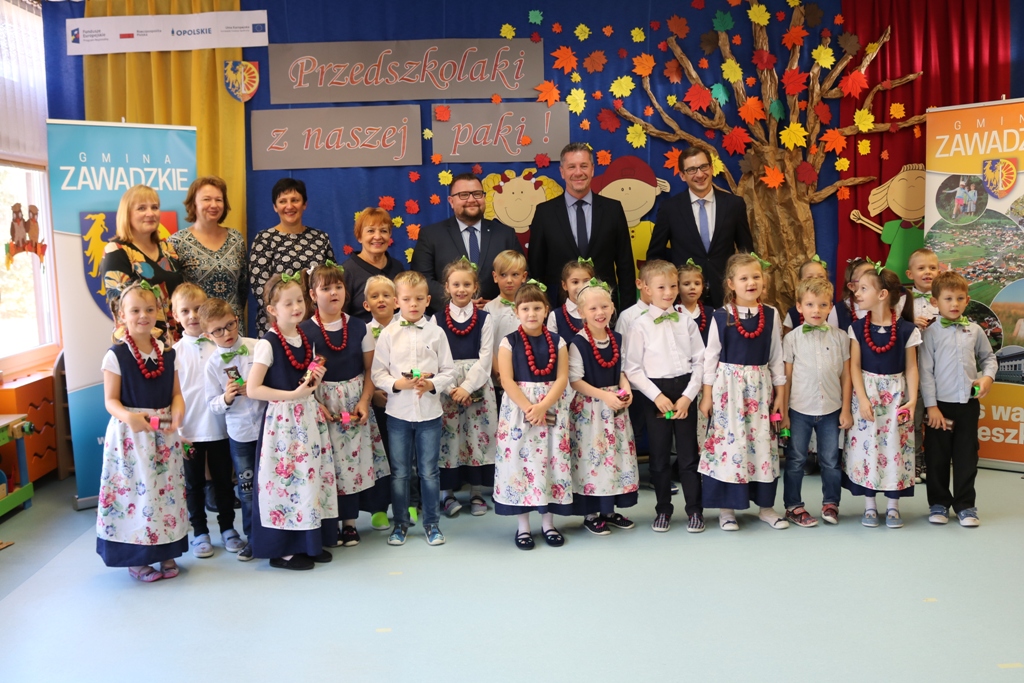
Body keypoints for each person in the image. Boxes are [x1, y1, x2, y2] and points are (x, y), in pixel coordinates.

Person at [246, 272, 338, 570]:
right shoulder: (268, 343)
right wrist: (292, 394)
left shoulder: (305, 337)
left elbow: (305, 377)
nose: (297, 307)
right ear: (273, 309)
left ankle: (310, 542)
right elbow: (253, 389)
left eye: (299, 300)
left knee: (309, 478)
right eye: (288, 303)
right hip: (283, 422)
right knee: (286, 482)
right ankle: (283, 550)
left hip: (307, 416)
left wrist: (313, 384)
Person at [96, 282, 187, 582]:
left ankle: (166, 551)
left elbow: (176, 393)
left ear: (158, 311)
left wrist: (178, 410)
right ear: (122, 315)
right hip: (131, 436)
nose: (143, 316)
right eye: (135, 310)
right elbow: (111, 401)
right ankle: (137, 559)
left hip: (163, 435)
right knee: (136, 494)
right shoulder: (116, 355)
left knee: (164, 493)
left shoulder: (168, 353)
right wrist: (130, 417)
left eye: (149, 309)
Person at [300, 263, 388, 547]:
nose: (333, 293)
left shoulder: (359, 327)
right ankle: (329, 524)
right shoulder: (305, 331)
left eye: (338, 287)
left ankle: (350, 523)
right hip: (322, 404)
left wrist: (364, 400)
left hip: (354, 401)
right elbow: (303, 376)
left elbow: (370, 370)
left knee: (352, 463)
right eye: (326, 288)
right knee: (329, 464)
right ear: (313, 295)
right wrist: (316, 404)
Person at [698, 253, 788, 530]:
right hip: (729, 391)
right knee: (729, 445)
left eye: (756, 277)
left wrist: (780, 396)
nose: (751, 282)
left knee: (761, 445)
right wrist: (707, 395)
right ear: (731, 284)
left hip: (760, 391)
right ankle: (726, 510)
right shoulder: (721, 316)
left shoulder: (771, 314)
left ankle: (766, 507)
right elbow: (710, 358)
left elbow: (776, 358)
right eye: (744, 278)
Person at [371, 271, 455, 547]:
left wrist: (431, 384)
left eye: (419, 299)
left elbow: (449, 371)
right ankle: (400, 524)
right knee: (400, 472)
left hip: (430, 414)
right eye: (407, 299)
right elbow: (377, 373)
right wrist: (398, 384)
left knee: (429, 472)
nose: (413, 304)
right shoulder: (388, 334)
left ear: (428, 300)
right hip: (398, 414)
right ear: (397, 301)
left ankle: (432, 524)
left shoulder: (436, 332)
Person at [625, 260, 706, 532]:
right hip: (655, 394)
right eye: (661, 287)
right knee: (659, 457)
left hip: (684, 391)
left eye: (672, 286)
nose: (669, 292)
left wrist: (688, 396)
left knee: (688, 456)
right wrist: (656, 395)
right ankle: (663, 510)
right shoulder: (639, 325)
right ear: (646, 289)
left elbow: (700, 361)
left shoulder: (686, 321)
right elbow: (633, 368)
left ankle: (695, 510)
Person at [492, 281, 573, 550]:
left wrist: (543, 406)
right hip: (519, 410)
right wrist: (530, 408)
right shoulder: (509, 342)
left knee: (550, 462)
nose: (531, 314)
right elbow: (506, 379)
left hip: (550, 408)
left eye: (537, 308)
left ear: (546, 310)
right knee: (520, 465)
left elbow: (562, 377)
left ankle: (548, 524)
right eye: (525, 308)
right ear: (516, 311)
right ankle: (523, 527)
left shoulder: (558, 341)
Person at [844, 265, 920, 529]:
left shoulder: (907, 330)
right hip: (867, 395)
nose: (857, 293)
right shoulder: (856, 328)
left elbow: (912, 368)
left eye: (864, 288)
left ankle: (893, 506)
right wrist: (863, 399)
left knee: (894, 448)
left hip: (895, 396)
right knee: (867, 448)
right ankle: (869, 505)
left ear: (882, 294)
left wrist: (912, 400)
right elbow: (854, 366)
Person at [919, 271, 996, 527]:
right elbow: (925, 372)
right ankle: (938, 503)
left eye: (959, 298)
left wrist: (987, 378)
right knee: (937, 457)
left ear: (967, 300)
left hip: (967, 405)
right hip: (939, 406)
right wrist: (931, 407)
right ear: (935, 302)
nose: (954, 304)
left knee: (966, 456)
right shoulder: (930, 333)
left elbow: (988, 358)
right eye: (948, 298)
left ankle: (965, 505)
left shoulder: (975, 331)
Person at [170, 284, 241, 558]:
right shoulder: (174, 352)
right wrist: (177, 430)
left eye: (197, 309)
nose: (191, 316)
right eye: (185, 311)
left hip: (221, 427)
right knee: (194, 484)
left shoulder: (221, 346)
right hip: (189, 430)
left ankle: (228, 528)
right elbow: (172, 394)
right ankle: (199, 531)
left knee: (224, 481)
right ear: (175, 315)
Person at [528, 143, 636, 310]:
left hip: (604, 310)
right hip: (559, 310)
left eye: (584, 166)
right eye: (572, 167)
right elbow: (536, 269)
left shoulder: (613, 210)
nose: (578, 172)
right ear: (562, 172)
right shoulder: (544, 213)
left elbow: (625, 266)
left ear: (592, 169)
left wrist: (627, 313)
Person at [780, 278, 852, 527]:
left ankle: (831, 503)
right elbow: (787, 378)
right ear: (799, 306)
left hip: (831, 409)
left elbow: (846, 376)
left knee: (830, 460)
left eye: (822, 305)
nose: (816, 310)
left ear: (831, 306)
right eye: (810, 304)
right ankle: (793, 506)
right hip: (799, 409)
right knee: (796, 459)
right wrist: (785, 412)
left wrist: (845, 409)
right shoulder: (792, 339)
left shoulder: (840, 337)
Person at [569, 279, 639, 535]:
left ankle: (609, 510)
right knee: (593, 459)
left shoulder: (617, 338)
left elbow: (622, 371)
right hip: (591, 412)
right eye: (593, 309)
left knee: (615, 458)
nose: (600, 313)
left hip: (615, 410)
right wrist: (604, 396)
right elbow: (575, 380)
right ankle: (590, 513)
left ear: (612, 308)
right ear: (581, 312)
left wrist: (625, 389)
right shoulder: (578, 343)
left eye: (605, 307)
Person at [648, 147, 753, 307]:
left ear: (711, 168)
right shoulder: (670, 209)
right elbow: (655, 256)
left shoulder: (734, 205)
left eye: (703, 167)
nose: (699, 174)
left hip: (727, 295)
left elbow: (747, 251)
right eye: (691, 170)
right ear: (682, 175)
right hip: (684, 298)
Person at [202, 297, 266, 561]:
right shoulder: (212, 365)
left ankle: (279, 534)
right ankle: (253, 539)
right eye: (218, 330)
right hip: (240, 434)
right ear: (208, 335)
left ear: (237, 319)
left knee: (273, 482)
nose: (226, 333)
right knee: (247, 490)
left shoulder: (258, 347)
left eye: (230, 325)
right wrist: (226, 398)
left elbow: (275, 382)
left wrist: (257, 388)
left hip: (268, 428)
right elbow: (212, 405)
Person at [435, 258, 497, 517]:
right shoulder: (436, 320)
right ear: (447, 287)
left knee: (477, 437)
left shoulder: (485, 319)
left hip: (477, 385)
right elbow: (435, 358)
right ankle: (446, 494)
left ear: (475, 287)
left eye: (467, 284)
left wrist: (468, 387)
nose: (461, 289)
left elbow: (486, 358)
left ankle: (476, 492)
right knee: (448, 438)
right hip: (447, 386)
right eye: (456, 284)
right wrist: (452, 388)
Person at [411, 173, 523, 313]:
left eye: (477, 194)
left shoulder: (505, 234)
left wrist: (499, 303)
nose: (471, 199)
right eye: (463, 195)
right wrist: (459, 302)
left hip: (499, 316)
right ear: (451, 201)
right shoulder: (431, 235)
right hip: (447, 318)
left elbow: (523, 276)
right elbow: (422, 279)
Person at [249, 178, 336, 335]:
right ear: (275, 207)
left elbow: (331, 279)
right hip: (278, 325)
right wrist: (291, 313)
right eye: (283, 201)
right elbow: (261, 289)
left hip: (317, 323)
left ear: (304, 204)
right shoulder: (264, 239)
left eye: (295, 200)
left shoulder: (320, 238)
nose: (289, 206)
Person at [99, 184, 183, 343]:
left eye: (154, 207)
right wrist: (159, 341)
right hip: (141, 343)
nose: (150, 213)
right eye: (142, 208)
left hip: (177, 340)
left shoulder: (167, 248)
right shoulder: (116, 251)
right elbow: (120, 304)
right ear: (127, 214)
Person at [168, 176, 248, 326]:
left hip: (232, 326)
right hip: (197, 327)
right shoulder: (177, 242)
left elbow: (243, 287)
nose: (214, 205)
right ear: (194, 203)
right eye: (206, 199)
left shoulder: (236, 239)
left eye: (219, 200)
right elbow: (174, 293)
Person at [362, 275, 400, 530]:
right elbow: (364, 368)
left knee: (405, 455)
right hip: (378, 402)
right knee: (381, 453)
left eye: (386, 295)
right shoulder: (364, 331)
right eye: (375, 296)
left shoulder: (409, 327)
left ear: (396, 301)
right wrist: (373, 393)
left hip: (405, 401)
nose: (381, 300)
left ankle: (407, 503)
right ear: (367, 304)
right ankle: (379, 507)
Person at [906, 248, 941, 483]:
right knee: (916, 418)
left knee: (937, 418)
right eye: (921, 268)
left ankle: (935, 460)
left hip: (940, 370)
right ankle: (916, 458)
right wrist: (910, 322)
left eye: (932, 268)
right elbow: (895, 329)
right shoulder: (903, 301)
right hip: (916, 370)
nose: (927, 272)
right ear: (910, 274)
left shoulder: (945, 299)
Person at [341, 207, 405, 322]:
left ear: (390, 235)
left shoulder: (398, 267)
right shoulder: (346, 271)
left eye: (383, 231)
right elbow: (340, 316)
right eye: (371, 231)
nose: (378, 236)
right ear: (359, 236)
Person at [483, 249, 529, 369]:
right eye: (503, 275)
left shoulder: (530, 308)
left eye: (515, 274)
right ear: (495, 277)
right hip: (497, 372)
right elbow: (486, 345)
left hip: (525, 371)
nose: (509, 280)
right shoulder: (489, 309)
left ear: (524, 276)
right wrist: (498, 371)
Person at [781, 257, 842, 332]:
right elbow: (787, 335)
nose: (815, 280)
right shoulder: (792, 314)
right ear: (800, 281)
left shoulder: (835, 311)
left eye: (821, 277)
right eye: (809, 277)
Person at [546, 258, 595, 339]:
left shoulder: (599, 312)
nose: (581, 286)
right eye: (575, 282)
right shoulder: (555, 316)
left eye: (586, 281)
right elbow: (551, 343)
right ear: (564, 285)